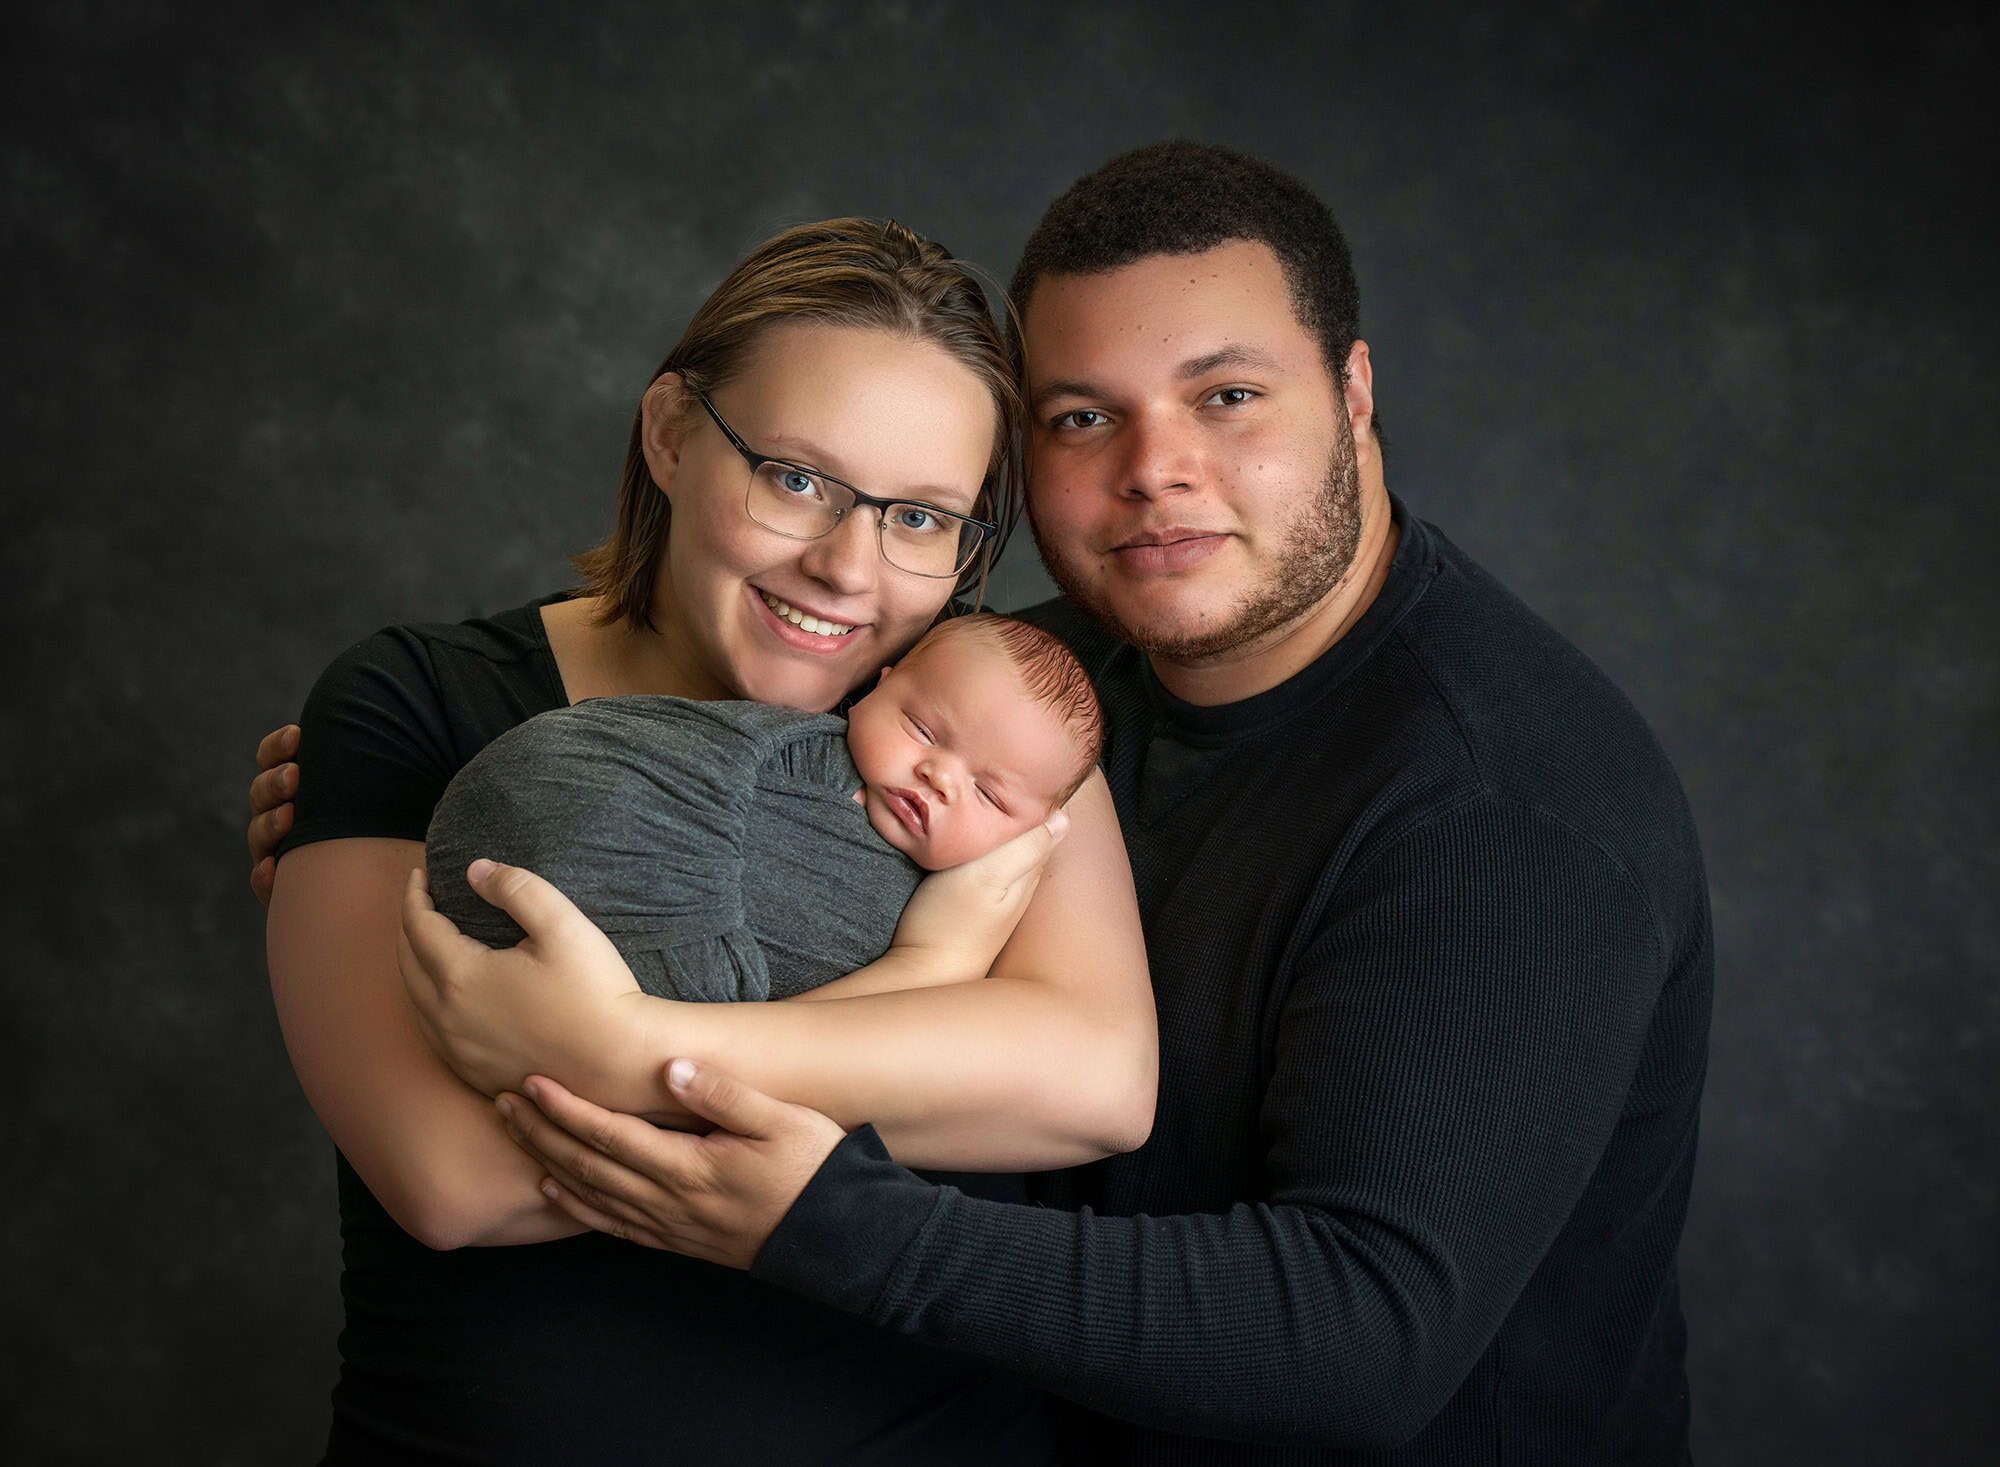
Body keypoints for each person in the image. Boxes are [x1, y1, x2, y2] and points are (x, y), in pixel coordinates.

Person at [309, 141, 1714, 1464]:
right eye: (1084, 416)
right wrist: (420, 785)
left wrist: (680, 1087)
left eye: (1229, 394)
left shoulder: (1503, 802)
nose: (1155, 467)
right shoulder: (1024, 686)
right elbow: (445, 1166)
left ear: (1354, 392)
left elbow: (1324, 1301)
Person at [255, 217, 1155, 1465]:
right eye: (796, 479)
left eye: (920, 518)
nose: (849, 568)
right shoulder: (416, 701)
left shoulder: (979, 718)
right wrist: (923, 1011)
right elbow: (450, 1177)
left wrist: (626, 1047)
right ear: (671, 434)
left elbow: (1093, 1084)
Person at [424, 611, 1104, 1005]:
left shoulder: (977, 910)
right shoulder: (787, 747)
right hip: (519, 838)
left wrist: (931, 961)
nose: (939, 776)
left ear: (1032, 835)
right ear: (875, 689)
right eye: (924, 730)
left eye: (988, 794)